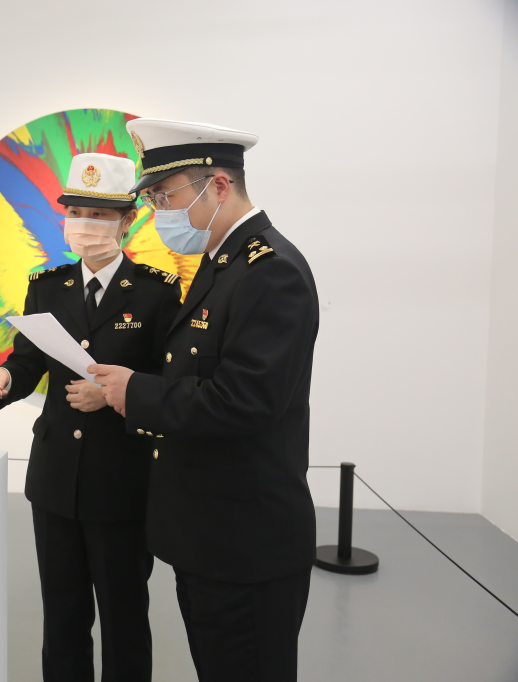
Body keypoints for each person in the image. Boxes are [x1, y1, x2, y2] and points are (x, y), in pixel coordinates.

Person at [91, 119, 320, 682]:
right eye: (151, 200)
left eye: (165, 197)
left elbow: (245, 401)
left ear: (218, 186)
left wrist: (135, 391)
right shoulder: (224, 264)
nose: (158, 213)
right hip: (211, 535)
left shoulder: (270, 271)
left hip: (246, 542)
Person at [0, 152, 182, 682]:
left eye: (99, 215)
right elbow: (28, 361)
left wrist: (112, 396)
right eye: (75, 213)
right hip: (55, 478)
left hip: (122, 478)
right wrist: (3, 379)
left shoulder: (158, 291)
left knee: (123, 616)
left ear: (127, 220)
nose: (84, 225)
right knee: (62, 615)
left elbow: (170, 384)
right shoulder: (48, 285)